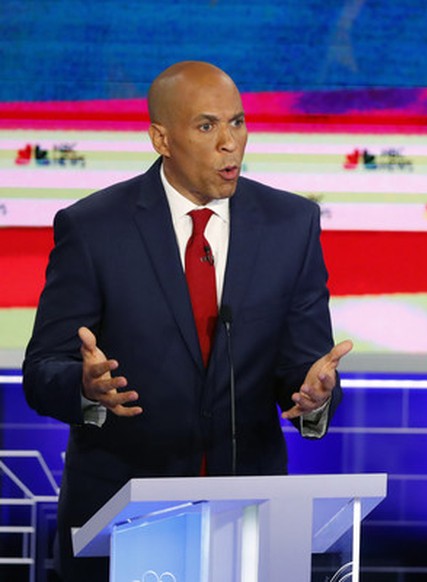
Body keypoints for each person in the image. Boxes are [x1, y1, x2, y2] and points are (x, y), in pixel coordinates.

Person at [22, 61, 352, 581]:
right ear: (161, 139)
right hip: (120, 517)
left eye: (238, 123)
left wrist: (315, 397)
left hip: (247, 519)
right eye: (207, 126)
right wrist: (85, 388)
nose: (230, 143)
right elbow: (42, 370)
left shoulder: (291, 225)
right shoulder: (93, 228)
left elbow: (304, 368)